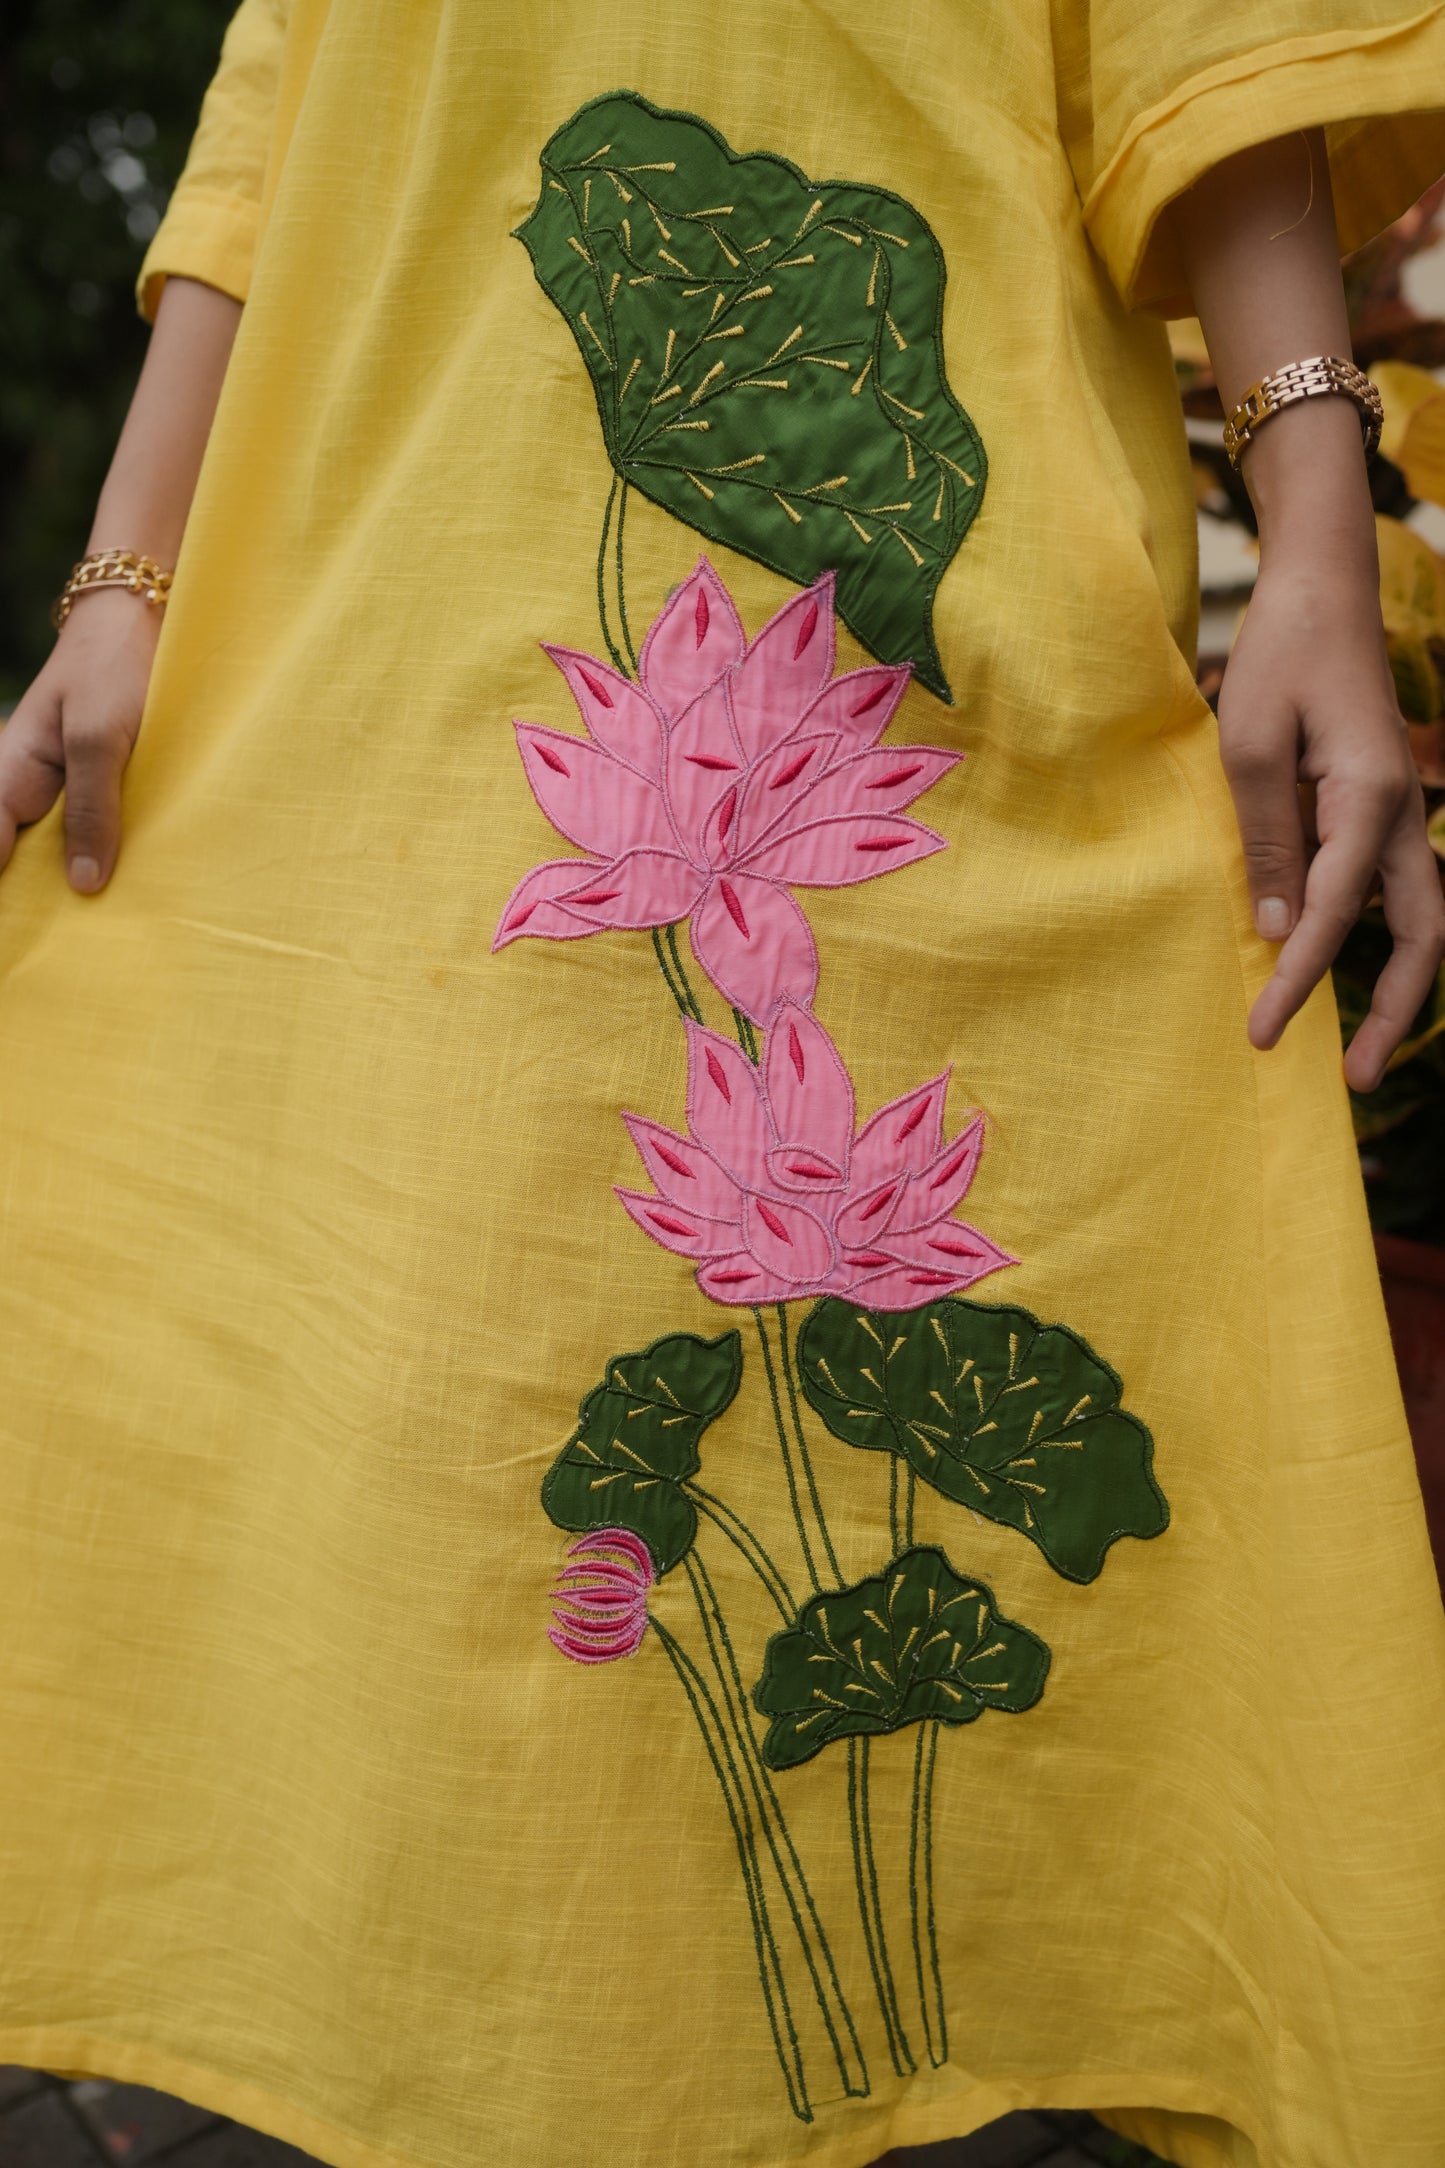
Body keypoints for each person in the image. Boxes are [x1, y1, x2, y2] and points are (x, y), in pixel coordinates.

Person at [0, 5, 1442, 2167]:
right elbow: (284, 103)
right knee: (424, 1436)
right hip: (382, 630)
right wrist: (124, 576)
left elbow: (1199, 54)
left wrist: (1313, 535)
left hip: (904, 673)